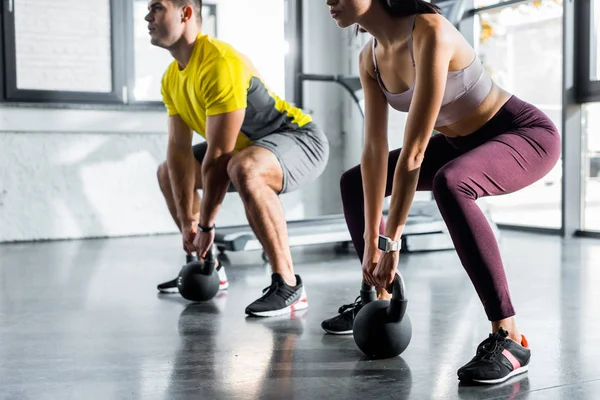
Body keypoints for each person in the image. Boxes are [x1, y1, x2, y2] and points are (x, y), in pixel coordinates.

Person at [321, 0, 560, 385]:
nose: (327, 1)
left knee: (452, 182)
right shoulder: (370, 57)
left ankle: (510, 337)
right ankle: (376, 298)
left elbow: (414, 152)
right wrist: (371, 241)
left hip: (521, 134)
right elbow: (374, 150)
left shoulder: (429, 30)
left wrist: (390, 242)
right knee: (354, 181)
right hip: (458, 143)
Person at [147, 0, 329, 316]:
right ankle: (206, 264)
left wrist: (205, 224)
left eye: (156, 8)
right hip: (249, 150)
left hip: (301, 140)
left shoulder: (218, 63)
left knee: (243, 168)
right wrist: (188, 221)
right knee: (168, 172)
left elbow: (218, 157)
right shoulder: (171, 78)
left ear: (186, 12)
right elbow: (179, 152)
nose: (147, 16)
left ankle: (288, 284)